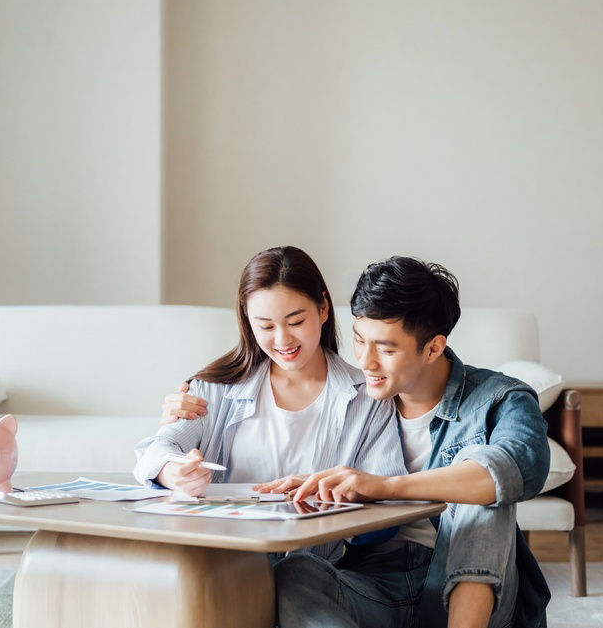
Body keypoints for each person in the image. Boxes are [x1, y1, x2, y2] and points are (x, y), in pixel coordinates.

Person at [165, 256, 551, 628]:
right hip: (377, 583)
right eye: (359, 340)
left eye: (385, 349)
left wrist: (385, 486)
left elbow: (519, 468)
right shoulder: (357, 400)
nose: (366, 362)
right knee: (296, 572)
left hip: (469, 583)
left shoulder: (501, 399)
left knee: (480, 490)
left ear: (432, 347)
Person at [133, 246, 407, 563]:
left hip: (312, 572)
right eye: (265, 326)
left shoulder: (368, 396)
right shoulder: (214, 387)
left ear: (323, 309)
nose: (282, 341)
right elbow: (157, 449)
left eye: (295, 321)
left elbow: (387, 510)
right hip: (223, 564)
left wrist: (344, 495)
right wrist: (172, 472)